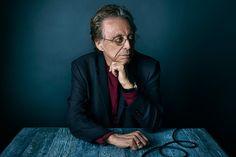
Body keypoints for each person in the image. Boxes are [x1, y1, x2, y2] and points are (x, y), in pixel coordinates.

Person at [67, 4, 163, 150]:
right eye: (119, 39)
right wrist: (111, 137)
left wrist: (129, 87)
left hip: (140, 146)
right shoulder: (82, 67)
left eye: (130, 37)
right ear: (99, 43)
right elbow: (75, 119)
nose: (128, 46)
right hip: (97, 147)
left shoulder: (149, 67)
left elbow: (154, 123)